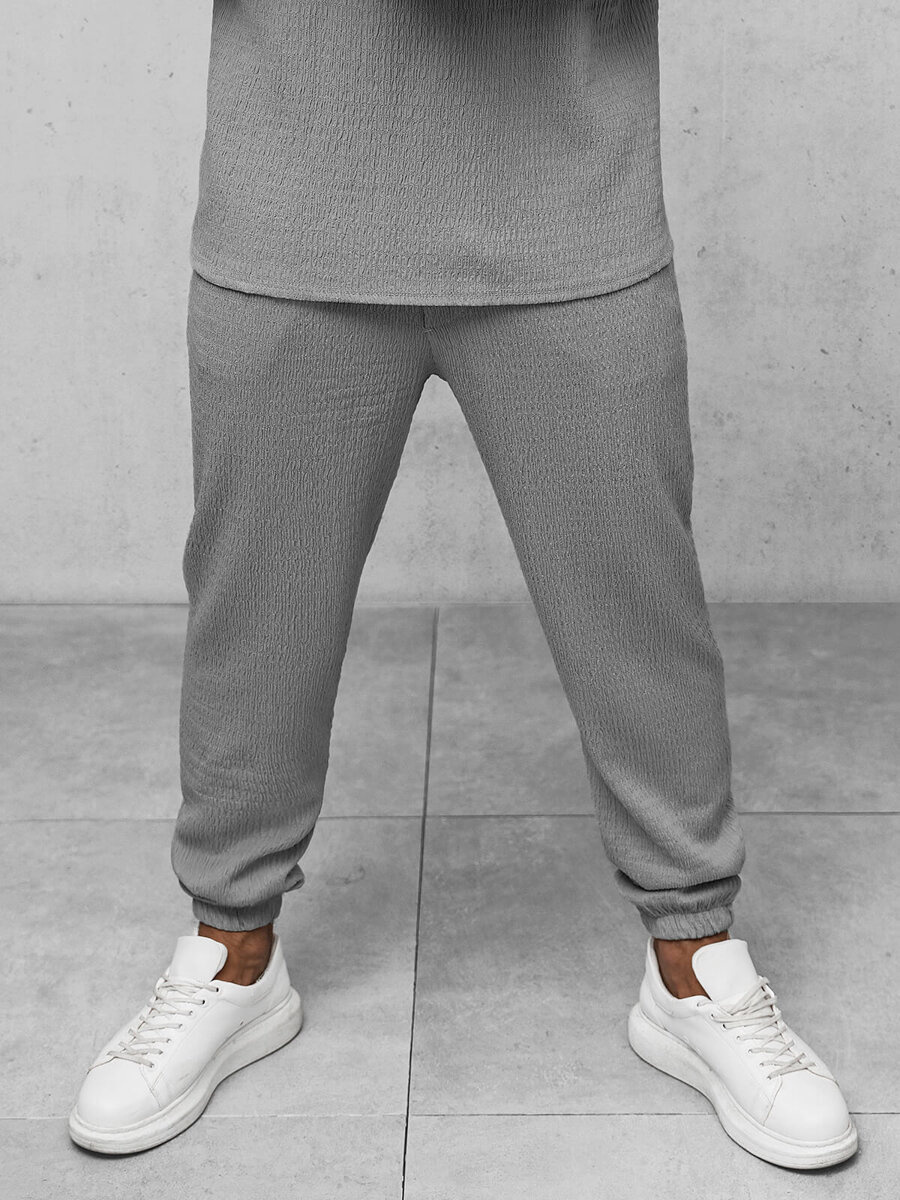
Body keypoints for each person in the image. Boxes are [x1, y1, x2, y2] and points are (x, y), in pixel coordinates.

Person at [68, 0, 857, 1170]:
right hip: (292, 189)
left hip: (566, 197)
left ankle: (696, 961)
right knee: (256, 611)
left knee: (639, 610)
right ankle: (231, 952)